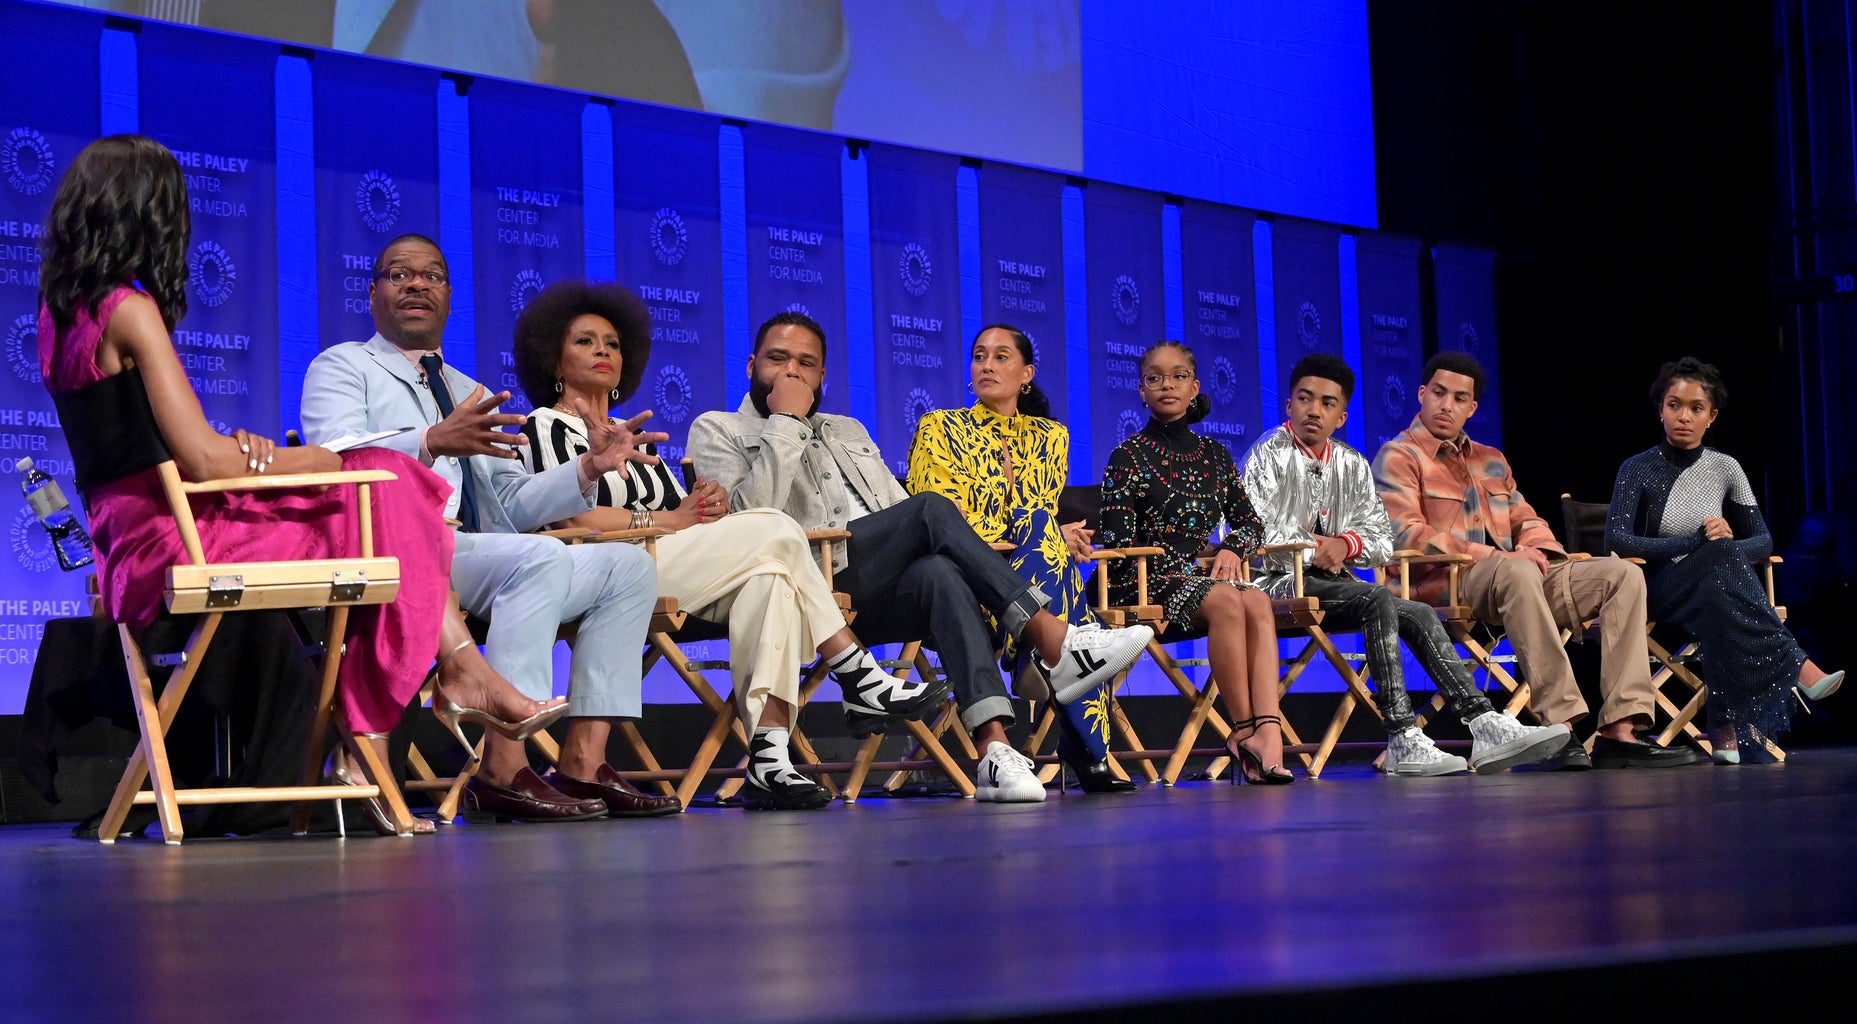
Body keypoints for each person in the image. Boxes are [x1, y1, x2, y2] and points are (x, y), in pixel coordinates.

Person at [36, 135, 564, 837]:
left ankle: (438, 691)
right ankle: (400, 712)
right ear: (153, 215)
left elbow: (159, 447)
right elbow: (206, 463)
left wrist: (243, 453)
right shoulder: (133, 310)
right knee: (388, 487)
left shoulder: (58, 317)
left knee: (388, 492)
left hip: (129, 541)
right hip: (175, 542)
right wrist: (308, 460)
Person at [512, 280, 948, 809]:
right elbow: (569, 512)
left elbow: (686, 520)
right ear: (553, 360)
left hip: (664, 563)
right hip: (605, 570)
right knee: (775, 527)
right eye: (585, 341)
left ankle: (769, 760)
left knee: (772, 581)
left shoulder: (631, 436)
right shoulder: (546, 425)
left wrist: (707, 506)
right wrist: (670, 518)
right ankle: (856, 671)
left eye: (613, 342)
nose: (603, 350)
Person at [687, 312, 1153, 803]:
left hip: (872, 584)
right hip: (798, 585)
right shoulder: (718, 428)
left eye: (807, 363)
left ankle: (994, 750)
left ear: (823, 376)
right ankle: (1052, 641)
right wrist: (784, 423)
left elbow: (896, 508)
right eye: (777, 360)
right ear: (750, 365)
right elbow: (743, 528)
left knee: (939, 570)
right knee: (932, 508)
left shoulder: (847, 429)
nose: (792, 373)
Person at [302, 234, 682, 821]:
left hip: (468, 551)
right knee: (539, 559)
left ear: (450, 297)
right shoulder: (341, 366)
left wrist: (586, 468)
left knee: (626, 567)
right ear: (373, 292)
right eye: (400, 274)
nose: (417, 284)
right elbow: (334, 456)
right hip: (389, 546)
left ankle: (582, 761)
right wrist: (428, 441)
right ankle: (504, 768)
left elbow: (512, 507)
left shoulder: (467, 390)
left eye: (432, 275)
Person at [1372, 352, 1703, 769]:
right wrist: (1502, 555)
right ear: (1422, 395)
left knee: (1622, 575)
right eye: (1438, 393)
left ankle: (1621, 730)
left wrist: (1542, 552)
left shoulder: (1490, 459)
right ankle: (1561, 724)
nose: (1446, 405)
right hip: (1443, 583)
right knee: (1516, 568)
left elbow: (1526, 518)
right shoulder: (1399, 455)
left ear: (1472, 408)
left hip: (1516, 578)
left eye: (1459, 398)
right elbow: (1405, 534)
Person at [1242, 354, 1568, 775]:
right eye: (1305, 399)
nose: (1313, 410)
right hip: (1276, 582)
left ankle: (1484, 722)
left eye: (1326, 403)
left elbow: (1381, 541)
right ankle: (1401, 734)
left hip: (1335, 586)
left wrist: (1347, 543)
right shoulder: (1265, 456)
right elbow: (1256, 531)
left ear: (1341, 416)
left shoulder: (1351, 463)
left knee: (1414, 611)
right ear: (1289, 405)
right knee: (1377, 596)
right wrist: (1316, 548)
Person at [905, 325, 1130, 793]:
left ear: (1026, 374)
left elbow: (1034, 514)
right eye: (979, 356)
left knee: (1040, 527)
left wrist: (1044, 530)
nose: (987, 364)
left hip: (1030, 578)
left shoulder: (1052, 438)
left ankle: (1043, 648)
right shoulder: (940, 428)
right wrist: (1047, 531)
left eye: (1001, 357)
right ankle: (1083, 735)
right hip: (960, 584)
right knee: (1044, 537)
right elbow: (944, 520)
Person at [1606, 357, 1843, 763]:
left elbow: (1764, 541)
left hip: (1714, 587)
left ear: (1711, 416)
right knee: (1717, 558)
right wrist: (1695, 542)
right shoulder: (1638, 468)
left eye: (1696, 408)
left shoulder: (1726, 467)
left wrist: (1724, 546)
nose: (1684, 417)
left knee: (1719, 599)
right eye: (1674, 405)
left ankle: (1725, 730)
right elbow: (1617, 539)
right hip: (1659, 588)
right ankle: (1796, 664)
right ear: (1660, 409)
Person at [1098, 341, 1291, 783]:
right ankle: (1244, 732)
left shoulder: (1215, 456)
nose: (1167, 384)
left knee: (1257, 602)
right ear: (1141, 390)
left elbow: (1251, 524)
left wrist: (1230, 548)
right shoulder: (1127, 456)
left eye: (1178, 376)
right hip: (1139, 580)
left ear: (1195, 386)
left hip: (1197, 579)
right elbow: (1117, 547)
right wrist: (1188, 567)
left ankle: (1269, 734)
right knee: (1226, 599)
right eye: (1155, 377)